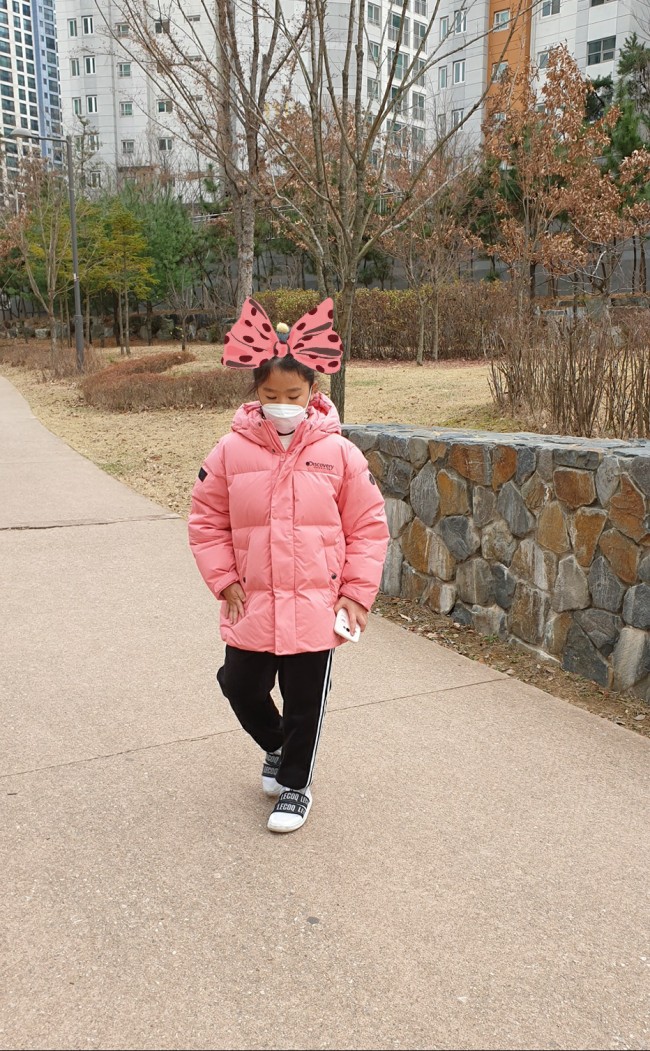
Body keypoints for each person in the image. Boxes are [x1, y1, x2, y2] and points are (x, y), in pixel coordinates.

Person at [188, 297, 389, 834]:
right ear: (256, 393)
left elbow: (368, 527)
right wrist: (224, 579)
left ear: (312, 392)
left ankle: (296, 784)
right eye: (271, 396)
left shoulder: (339, 454)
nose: (282, 405)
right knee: (238, 684)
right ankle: (279, 746)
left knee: (306, 703)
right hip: (252, 601)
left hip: (315, 605)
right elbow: (206, 521)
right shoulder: (229, 452)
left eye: (293, 396)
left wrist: (355, 594)